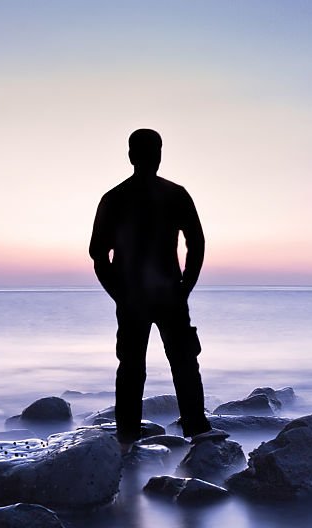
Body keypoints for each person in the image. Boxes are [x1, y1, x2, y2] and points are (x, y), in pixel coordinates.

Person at [89, 128, 218, 446]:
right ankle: (192, 427)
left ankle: (136, 432)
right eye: (150, 151)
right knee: (170, 362)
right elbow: (197, 244)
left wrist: (121, 292)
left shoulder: (120, 197)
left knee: (152, 363)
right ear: (136, 156)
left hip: (153, 294)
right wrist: (183, 286)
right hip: (156, 294)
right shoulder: (161, 195)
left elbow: (97, 254)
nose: (151, 157)